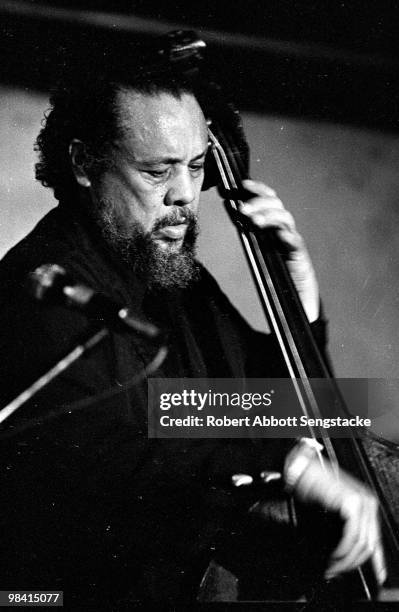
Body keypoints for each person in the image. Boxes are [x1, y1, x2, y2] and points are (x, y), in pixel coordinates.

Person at [0, 43, 384, 607]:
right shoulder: (43, 288)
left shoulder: (176, 279)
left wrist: (298, 291)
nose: (185, 195)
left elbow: (270, 401)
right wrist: (280, 460)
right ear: (84, 163)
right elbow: (110, 456)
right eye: (158, 171)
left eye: (197, 166)